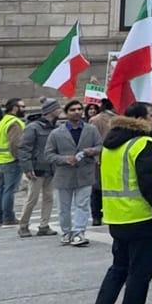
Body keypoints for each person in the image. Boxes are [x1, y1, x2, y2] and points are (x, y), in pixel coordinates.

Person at [83, 104, 152, 304]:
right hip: (141, 215)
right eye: (151, 116)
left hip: (117, 217)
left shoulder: (111, 145)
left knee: (119, 267)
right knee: (141, 270)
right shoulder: (143, 143)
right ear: (139, 119)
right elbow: (149, 184)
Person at [48, 100, 95, 245]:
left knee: (82, 204)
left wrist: (92, 150)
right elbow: (49, 154)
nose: (77, 112)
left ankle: (79, 232)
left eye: (79, 109)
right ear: (66, 112)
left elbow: (100, 145)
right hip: (64, 174)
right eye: (73, 109)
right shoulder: (56, 133)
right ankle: (66, 232)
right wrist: (64, 159)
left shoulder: (91, 129)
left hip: (85, 172)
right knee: (64, 207)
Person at [14, 101, 61, 237]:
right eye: (57, 108)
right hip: (36, 167)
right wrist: (27, 167)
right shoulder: (33, 127)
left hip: (51, 167)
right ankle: (23, 225)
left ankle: (44, 225)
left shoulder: (55, 127)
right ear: (50, 110)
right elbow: (24, 148)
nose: (60, 110)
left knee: (48, 197)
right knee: (32, 198)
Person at [0, 96, 26, 226]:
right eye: (22, 106)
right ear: (15, 108)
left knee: (2, 189)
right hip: (10, 159)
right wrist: (20, 158)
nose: (24, 109)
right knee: (9, 190)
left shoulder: (2, 121)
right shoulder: (14, 122)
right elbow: (15, 143)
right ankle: (8, 217)